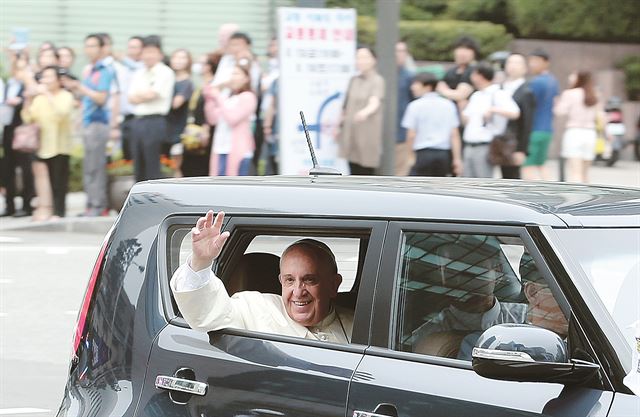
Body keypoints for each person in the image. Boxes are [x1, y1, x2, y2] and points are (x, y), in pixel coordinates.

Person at [170, 211, 353, 343]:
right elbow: (207, 313)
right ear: (281, 281)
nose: (298, 291)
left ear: (333, 285)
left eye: (309, 280)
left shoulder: (358, 325)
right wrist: (200, 262)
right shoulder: (255, 308)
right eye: (290, 280)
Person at [413, 242, 568, 360]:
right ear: (441, 275)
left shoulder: (530, 319)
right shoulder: (427, 336)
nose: (462, 281)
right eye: (452, 271)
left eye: (473, 271)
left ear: (498, 270)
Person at [63, 34, 115, 217]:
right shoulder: (91, 70)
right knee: (89, 166)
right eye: (87, 46)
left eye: (93, 46)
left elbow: (101, 98)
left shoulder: (105, 70)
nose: (89, 50)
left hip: (98, 122)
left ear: (101, 48)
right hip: (87, 122)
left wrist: (80, 87)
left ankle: (98, 206)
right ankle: (90, 205)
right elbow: (86, 99)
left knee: (96, 166)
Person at [21, 66, 74, 220]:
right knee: (45, 181)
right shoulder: (39, 98)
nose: (46, 80)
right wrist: (28, 99)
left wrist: (47, 95)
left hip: (60, 146)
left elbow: (62, 114)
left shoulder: (66, 96)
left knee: (59, 181)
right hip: (42, 145)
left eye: (50, 77)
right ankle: (46, 209)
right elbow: (28, 117)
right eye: (44, 77)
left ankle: (59, 212)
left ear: (58, 80)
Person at [128, 35, 175, 182]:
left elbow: (152, 94)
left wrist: (141, 96)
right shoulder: (139, 73)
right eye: (145, 52)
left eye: (152, 52)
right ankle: (139, 202)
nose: (148, 56)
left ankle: (153, 202)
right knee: (138, 164)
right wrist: (144, 95)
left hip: (155, 121)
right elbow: (130, 98)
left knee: (152, 164)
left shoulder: (165, 72)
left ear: (160, 54)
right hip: (138, 122)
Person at [461, 62, 520, 178]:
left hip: (485, 145)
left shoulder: (498, 94)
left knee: (483, 182)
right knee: (467, 182)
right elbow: (466, 118)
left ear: (480, 75)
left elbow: (515, 113)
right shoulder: (476, 95)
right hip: (469, 144)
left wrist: (494, 110)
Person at [401, 72, 462, 177]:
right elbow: (454, 134)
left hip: (422, 153)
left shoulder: (415, 106)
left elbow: (411, 134)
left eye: (416, 84)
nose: (412, 87)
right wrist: (457, 159)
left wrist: (410, 156)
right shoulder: (449, 105)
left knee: (419, 187)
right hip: (443, 154)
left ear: (427, 86)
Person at [204, 61, 257, 176]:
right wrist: (210, 99)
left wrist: (218, 97)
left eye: (236, 74)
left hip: (239, 150)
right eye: (231, 74)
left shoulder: (248, 97)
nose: (232, 77)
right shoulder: (227, 98)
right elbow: (212, 119)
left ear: (246, 78)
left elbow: (232, 118)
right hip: (221, 148)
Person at [338, 46, 385, 175]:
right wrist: (338, 126)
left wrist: (365, 112)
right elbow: (345, 107)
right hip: (351, 132)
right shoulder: (354, 80)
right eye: (358, 58)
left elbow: (375, 101)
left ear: (374, 60)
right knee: (352, 168)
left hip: (367, 133)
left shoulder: (377, 80)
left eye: (365, 57)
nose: (360, 61)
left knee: (366, 170)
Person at [554, 71, 603, 183]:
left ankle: (577, 199)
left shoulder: (570, 93)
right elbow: (600, 115)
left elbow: (560, 111)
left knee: (576, 173)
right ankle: (588, 199)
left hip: (574, 133)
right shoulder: (594, 93)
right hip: (590, 134)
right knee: (585, 174)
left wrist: (557, 102)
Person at [522, 49, 559, 181]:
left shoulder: (536, 82)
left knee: (527, 166)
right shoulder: (553, 81)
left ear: (546, 62)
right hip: (547, 130)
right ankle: (551, 192)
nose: (532, 64)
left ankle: (533, 197)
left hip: (534, 130)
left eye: (535, 61)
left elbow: (527, 106)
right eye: (530, 61)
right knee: (541, 165)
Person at [500, 53, 536, 179]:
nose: (513, 66)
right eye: (510, 62)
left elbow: (527, 123)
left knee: (512, 178)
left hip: (513, 142)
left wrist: (522, 150)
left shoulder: (526, 91)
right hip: (498, 141)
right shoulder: (500, 88)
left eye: (517, 63)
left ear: (525, 68)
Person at [165, 48, 195, 176]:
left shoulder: (187, 83)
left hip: (177, 130)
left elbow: (176, 103)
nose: (178, 61)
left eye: (183, 58)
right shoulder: (167, 78)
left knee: (175, 165)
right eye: (176, 57)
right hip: (164, 128)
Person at [116, 35, 144, 161]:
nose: (131, 50)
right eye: (129, 47)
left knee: (137, 153)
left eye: (134, 47)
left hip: (139, 117)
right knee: (126, 153)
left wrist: (123, 60)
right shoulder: (122, 68)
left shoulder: (144, 67)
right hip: (125, 117)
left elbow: (137, 68)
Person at [437, 36, 478, 113]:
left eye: (467, 49)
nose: (462, 53)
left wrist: (443, 91)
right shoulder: (451, 71)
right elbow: (439, 86)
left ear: (474, 53)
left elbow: (460, 95)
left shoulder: (474, 71)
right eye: (460, 49)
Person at [394, 41, 415, 176]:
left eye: (402, 51)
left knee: (399, 174)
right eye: (396, 51)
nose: (398, 55)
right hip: (379, 136)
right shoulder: (379, 74)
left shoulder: (410, 77)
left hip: (401, 134)